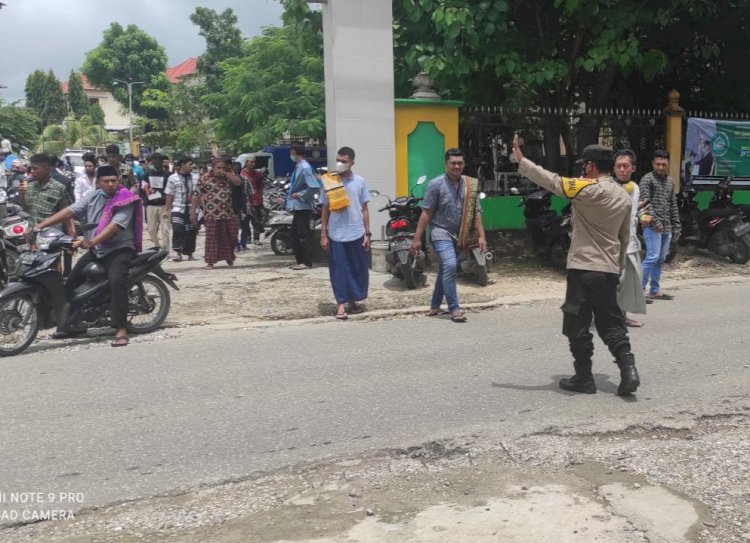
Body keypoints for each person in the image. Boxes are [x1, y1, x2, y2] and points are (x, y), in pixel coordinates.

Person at [512, 136, 640, 396]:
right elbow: (624, 237)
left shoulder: (586, 189)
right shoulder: (623, 196)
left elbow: (553, 182)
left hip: (583, 267)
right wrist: (616, 267)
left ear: (591, 166)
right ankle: (629, 370)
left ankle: (584, 377)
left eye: (584, 165)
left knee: (577, 323)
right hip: (608, 270)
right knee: (611, 323)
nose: (582, 169)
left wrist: (522, 161)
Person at [33, 165, 143, 347]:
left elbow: (115, 226)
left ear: (119, 181)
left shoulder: (126, 199)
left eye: (113, 181)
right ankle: (73, 323)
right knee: (70, 283)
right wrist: (41, 226)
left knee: (117, 282)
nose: (110, 184)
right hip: (97, 251)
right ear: (98, 183)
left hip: (120, 249)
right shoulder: (93, 196)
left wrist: (92, 241)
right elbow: (70, 211)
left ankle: (120, 329)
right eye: (106, 181)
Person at [410, 148, 487, 323]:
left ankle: (435, 306)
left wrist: (481, 236)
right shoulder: (435, 184)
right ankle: (454, 308)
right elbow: (426, 212)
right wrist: (417, 239)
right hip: (440, 232)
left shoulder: (470, 185)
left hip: (461, 235)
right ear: (445, 164)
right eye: (453, 163)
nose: (456, 166)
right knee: (450, 265)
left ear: (464, 164)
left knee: (446, 269)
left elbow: (476, 212)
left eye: (460, 163)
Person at [320, 147, 371, 320]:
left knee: (357, 268)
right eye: (338, 160)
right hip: (336, 233)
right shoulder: (329, 181)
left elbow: (364, 209)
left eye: (344, 161)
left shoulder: (360, 182)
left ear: (352, 163)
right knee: (339, 269)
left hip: (356, 232)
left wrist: (367, 233)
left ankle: (353, 300)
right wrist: (323, 234)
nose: (340, 163)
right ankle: (341, 304)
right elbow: (325, 208)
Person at [613, 149, 648, 327]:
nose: (622, 170)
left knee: (628, 280)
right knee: (608, 282)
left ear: (633, 168)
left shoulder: (634, 187)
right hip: (610, 244)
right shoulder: (608, 186)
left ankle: (622, 316)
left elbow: (633, 213)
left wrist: (642, 216)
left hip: (630, 243)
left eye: (625, 166)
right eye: (618, 166)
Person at [639, 150, 681, 300]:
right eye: (658, 164)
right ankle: (638, 291)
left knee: (661, 258)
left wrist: (677, 226)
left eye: (664, 164)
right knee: (652, 256)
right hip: (651, 226)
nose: (661, 167)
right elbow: (644, 205)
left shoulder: (670, 181)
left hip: (667, 226)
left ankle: (655, 290)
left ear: (668, 164)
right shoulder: (647, 180)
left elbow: (673, 205)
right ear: (653, 164)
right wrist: (655, 222)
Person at [191, 157, 242, 270]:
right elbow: (196, 195)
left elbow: (238, 183)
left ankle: (229, 256)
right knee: (212, 238)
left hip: (228, 213)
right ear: (213, 168)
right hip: (211, 214)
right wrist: (193, 212)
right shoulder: (205, 178)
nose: (221, 170)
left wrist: (227, 173)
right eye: (218, 168)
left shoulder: (228, 177)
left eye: (223, 168)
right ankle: (210, 261)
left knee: (232, 235)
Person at [17, 153, 74, 232]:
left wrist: (71, 231)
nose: (32, 171)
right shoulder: (30, 187)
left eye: (36, 168)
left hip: (51, 236)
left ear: (47, 169)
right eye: (31, 168)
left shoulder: (59, 188)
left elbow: (67, 213)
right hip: (32, 233)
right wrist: (21, 195)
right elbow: (27, 210)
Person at [286, 145, 320, 269]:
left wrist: (300, 195)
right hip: (297, 207)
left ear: (294, 152)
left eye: (291, 153)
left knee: (302, 235)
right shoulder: (299, 166)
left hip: (303, 206)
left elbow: (314, 186)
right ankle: (300, 260)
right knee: (295, 235)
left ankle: (306, 261)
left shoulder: (305, 168)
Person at [163, 157, 198, 261]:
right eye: (189, 164)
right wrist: (166, 209)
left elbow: (198, 194)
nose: (192, 166)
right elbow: (169, 194)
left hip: (192, 208)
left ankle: (190, 253)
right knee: (178, 229)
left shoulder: (196, 177)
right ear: (182, 165)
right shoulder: (172, 178)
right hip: (178, 208)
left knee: (191, 231)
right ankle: (178, 253)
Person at [143, 152, 171, 250]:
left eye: (158, 162)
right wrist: (146, 199)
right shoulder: (147, 174)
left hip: (164, 205)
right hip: (151, 205)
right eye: (153, 163)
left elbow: (170, 190)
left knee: (165, 229)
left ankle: (166, 249)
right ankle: (157, 245)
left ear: (162, 162)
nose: (156, 165)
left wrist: (161, 196)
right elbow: (143, 188)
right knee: (151, 229)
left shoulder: (168, 175)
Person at [242, 156, 265, 245]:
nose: (253, 164)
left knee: (257, 220)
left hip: (256, 200)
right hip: (245, 200)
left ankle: (256, 238)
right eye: (251, 162)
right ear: (247, 162)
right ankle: (247, 237)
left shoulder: (258, 174)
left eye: (254, 162)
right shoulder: (242, 173)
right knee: (245, 220)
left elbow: (261, 187)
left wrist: (260, 197)